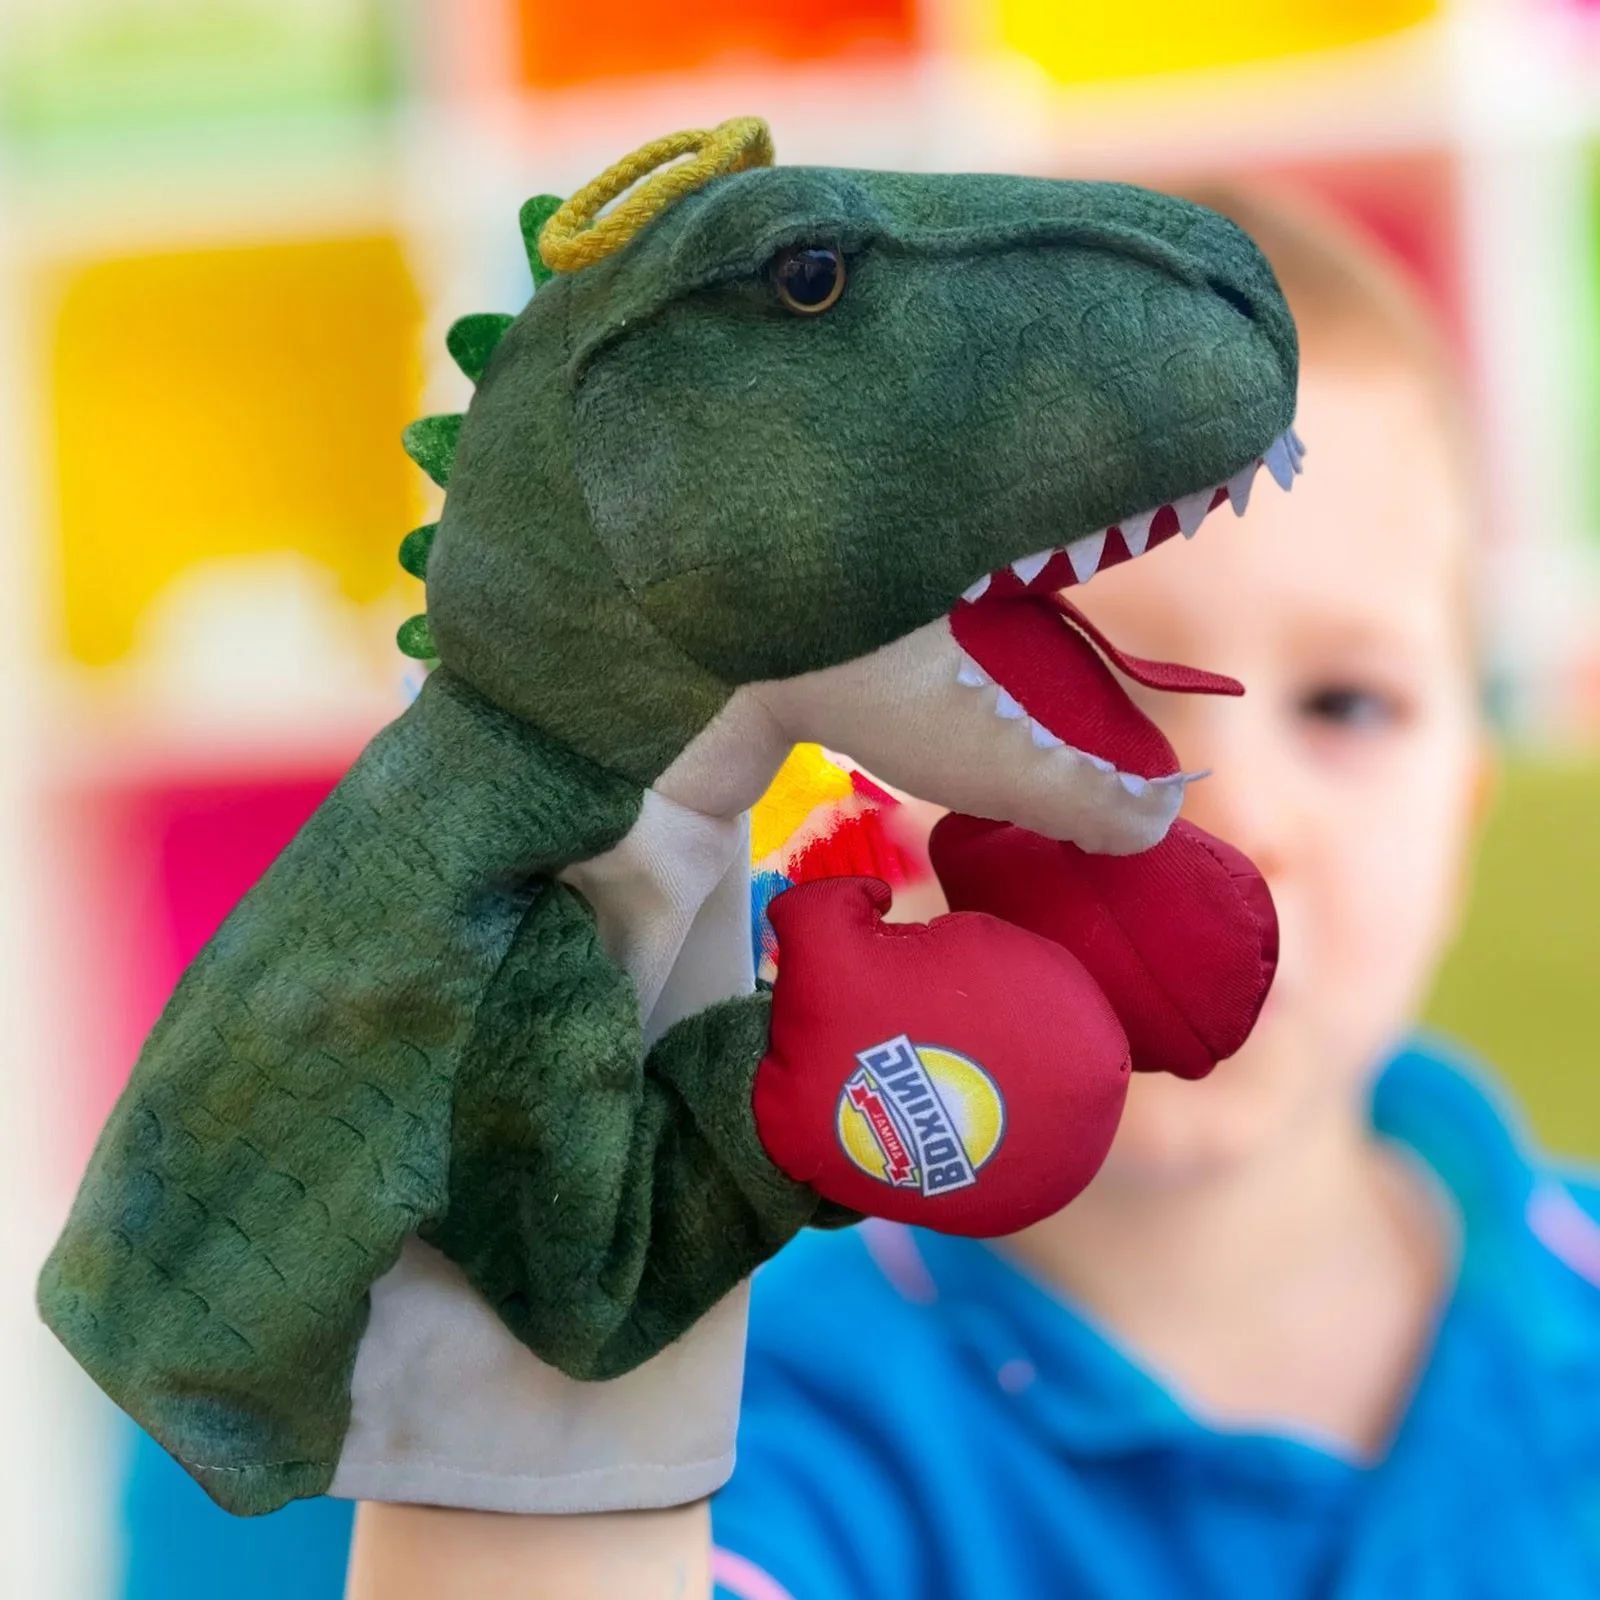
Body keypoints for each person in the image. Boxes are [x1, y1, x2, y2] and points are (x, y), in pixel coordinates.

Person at [120, 184, 1600, 1598]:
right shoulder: (753, 1375)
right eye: (1084, 688)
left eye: (1347, 705)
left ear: (1467, 802)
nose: (1233, 810)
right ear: (880, 780)